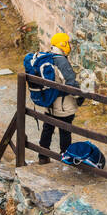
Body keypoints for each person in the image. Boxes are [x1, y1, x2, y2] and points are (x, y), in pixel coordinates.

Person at [32, 32, 80, 163]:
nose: (69, 45)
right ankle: (65, 157)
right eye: (67, 43)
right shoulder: (62, 61)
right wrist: (80, 96)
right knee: (65, 131)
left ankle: (43, 156)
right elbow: (70, 83)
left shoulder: (48, 57)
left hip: (50, 102)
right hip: (64, 104)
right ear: (63, 44)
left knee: (48, 128)